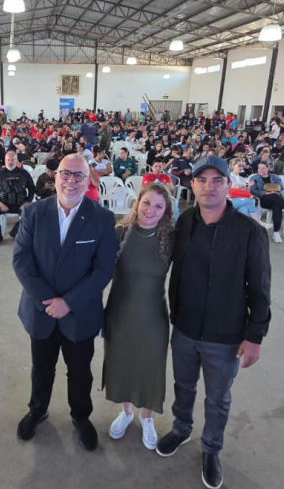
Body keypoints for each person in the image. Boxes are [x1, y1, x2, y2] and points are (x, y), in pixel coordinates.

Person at [156, 155, 271, 489]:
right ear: (192, 184)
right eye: (202, 180)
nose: (209, 187)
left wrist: (255, 336)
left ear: (228, 184)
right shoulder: (185, 223)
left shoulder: (249, 232)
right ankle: (180, 429)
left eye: (217, 180)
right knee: (183, 385)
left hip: (226, 334)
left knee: (218, 398)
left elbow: (260, 289)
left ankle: (211, 449)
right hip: (185, 328)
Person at [12, 154, 117, 452]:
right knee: (41, 367)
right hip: (41, 309)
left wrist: (68, 303)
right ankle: (37, 410)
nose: (71, 181)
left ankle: (81, 417)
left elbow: (103, 270)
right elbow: (21, 260)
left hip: (79, 313)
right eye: (65, 174)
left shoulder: (102, 218)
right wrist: (50, 301)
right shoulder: (34, 213)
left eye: (78, 176)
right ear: (54, 177)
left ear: (88, 180)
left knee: (80, 371)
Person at [103, 183, 175, 450]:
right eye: (146, 203)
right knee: (121, 363)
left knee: (150, 367)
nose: (150, 210)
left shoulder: (170, 239)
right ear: (137, 203)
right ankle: (126, 412)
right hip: (120, 312)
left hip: (153, 315)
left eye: (158, 206)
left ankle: (147, 417)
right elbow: (98, 271)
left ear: (166, 210)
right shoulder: (120, 233)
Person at [0, 151, 35, 245]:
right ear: (5, 161)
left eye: (12, 160)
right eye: (8, 160)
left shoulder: (24, 173)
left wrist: (28, 201)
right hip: (4, 203)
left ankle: (15, 231)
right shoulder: (0, 174)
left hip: (21, 204)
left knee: (34, 212)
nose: (10, 162)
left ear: (16, 161)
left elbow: (32, 188)